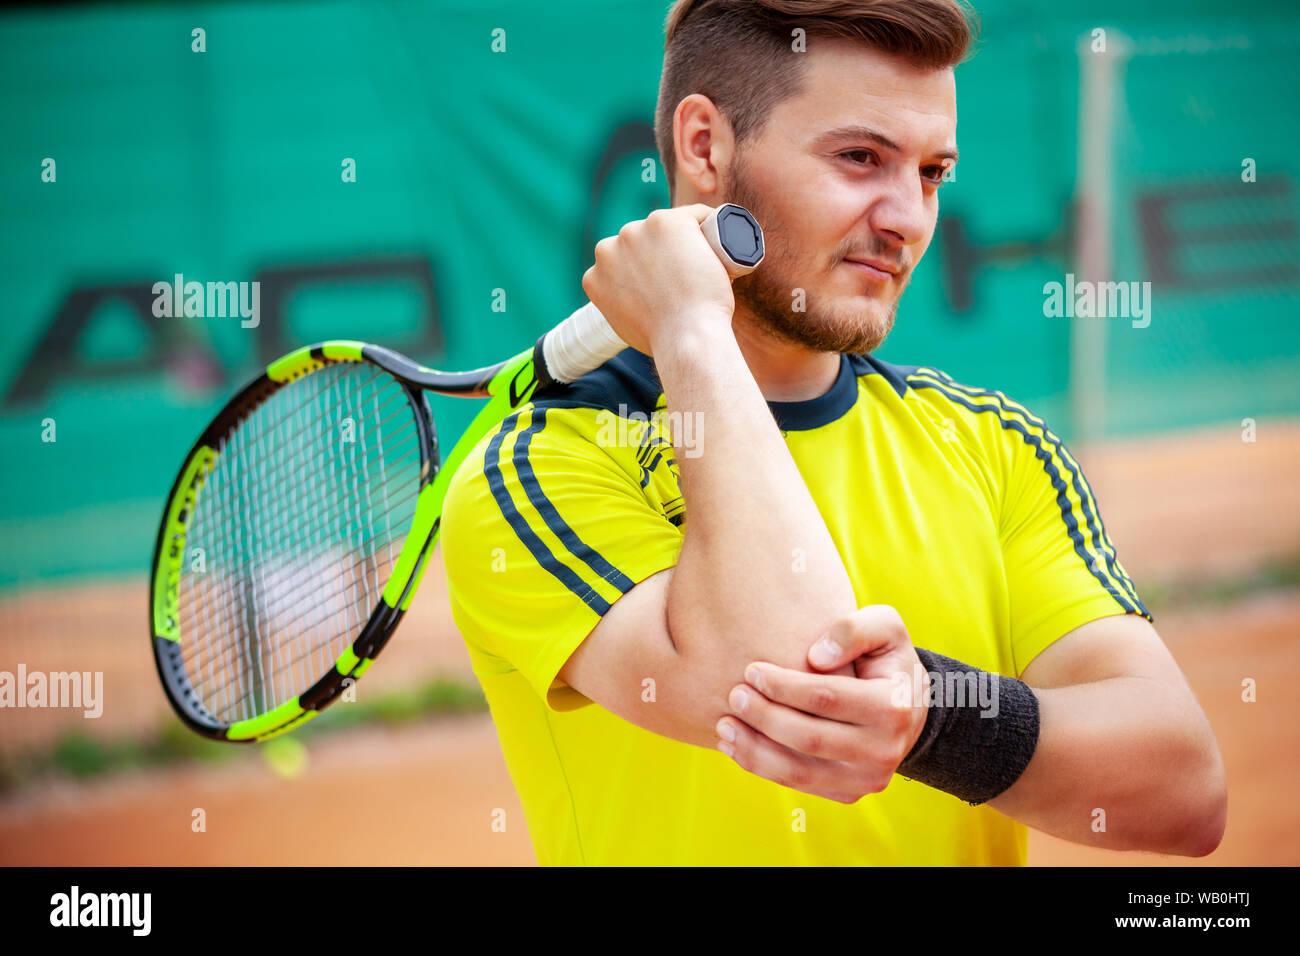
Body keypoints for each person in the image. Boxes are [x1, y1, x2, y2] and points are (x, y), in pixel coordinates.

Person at [440, 0, 1226, 865]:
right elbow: (800, 704)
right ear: (704, 146)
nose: (909, 219)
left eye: (931, 174)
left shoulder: (995, 443)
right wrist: (693, 332)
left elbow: (1185, 792)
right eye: (860, 158)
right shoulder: (535, 467)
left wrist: (932, 711)